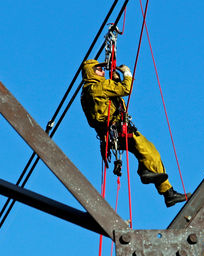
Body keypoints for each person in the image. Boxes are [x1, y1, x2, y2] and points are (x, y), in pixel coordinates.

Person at [80, 59, 187, 207]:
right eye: (99, 69)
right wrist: (127, 73)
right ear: (91, 72)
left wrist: (115, 82)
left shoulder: (87, 92)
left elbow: (108, 103)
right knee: (151, 152)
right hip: (118, 131)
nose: (103, 72)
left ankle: (157, 182)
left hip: (109, 136)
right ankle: (164, 189)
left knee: (146, 152)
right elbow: (126, 89)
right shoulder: (100, 86)